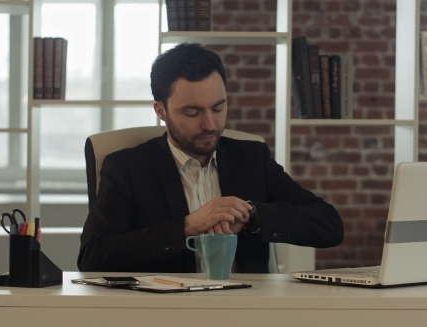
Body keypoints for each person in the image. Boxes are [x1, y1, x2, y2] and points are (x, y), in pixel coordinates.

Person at [78, 43, 343, 273]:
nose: (210, 124)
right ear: (161, 110)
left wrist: (252, 215)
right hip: (166, 313)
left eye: (218, 108)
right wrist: (188, 226)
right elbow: (93, 257)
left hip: (247, 311)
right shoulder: (128, 168)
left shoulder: (251, 158)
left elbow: (329, 226)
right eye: (192, 112)